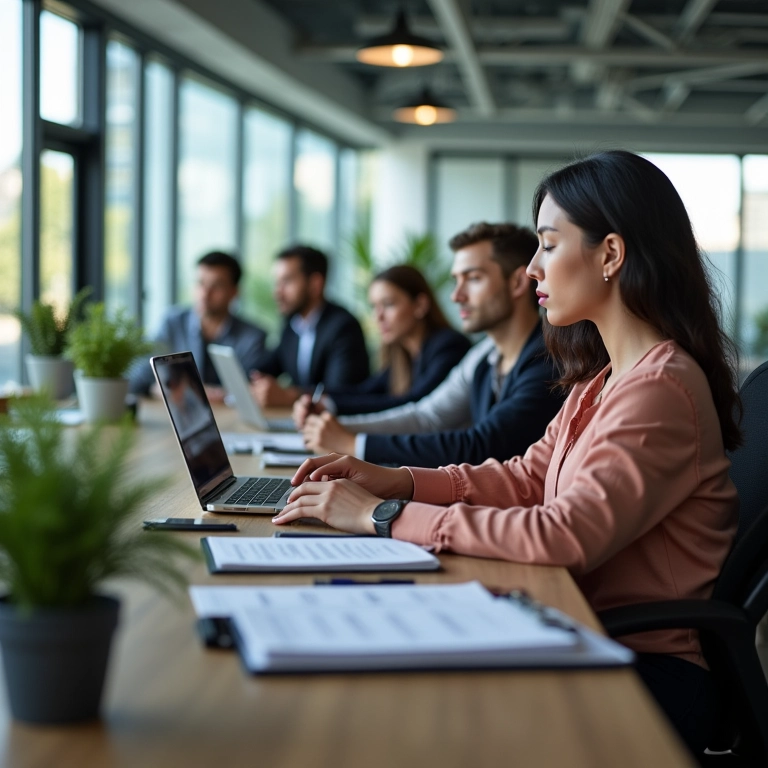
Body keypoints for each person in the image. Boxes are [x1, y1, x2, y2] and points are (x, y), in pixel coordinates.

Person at [275, 150, 741, 758]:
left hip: (644, 670)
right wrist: (395, 482)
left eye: (548, 245)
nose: (532, 267)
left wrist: (379, 517)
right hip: (578, 626)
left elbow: (565, 535)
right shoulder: (601, 379)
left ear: (610, 255)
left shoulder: (660, 389)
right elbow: (525, 478)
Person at [295, 223, 564, 468]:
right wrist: (338, 428)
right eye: (456, 281)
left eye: (473, 278)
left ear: (517, 282)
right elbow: (427, 417)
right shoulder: (484, 355)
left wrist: (353, 443)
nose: (456, 296)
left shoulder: (550, 359)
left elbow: (485, 444)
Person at [302, 264, 471, 416]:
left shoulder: (449, 346)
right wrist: (311, 397)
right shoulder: (403, 354)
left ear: (420, 305)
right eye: (374, 307)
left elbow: (415, 403)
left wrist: (329, 404)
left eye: (388, 304)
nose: (378, 317)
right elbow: (366, 392)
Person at [129, 251, 266, 403]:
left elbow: (250, 391)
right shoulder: (173, 323)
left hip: (232, 422)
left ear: (234, 292)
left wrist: (188, 390)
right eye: (200, 283)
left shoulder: (252, 337)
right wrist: (161, 388)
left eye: (217, 286)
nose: (205, 294)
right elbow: (138, 377)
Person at [250, 245, 369, 408]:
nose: (277, 292)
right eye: (277, 283)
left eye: (287, 282)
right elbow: (266, 367)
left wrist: (288, 396)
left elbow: (341, 391)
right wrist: (245, 383)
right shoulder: (292, 324)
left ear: (315, 284)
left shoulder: (344, 327)